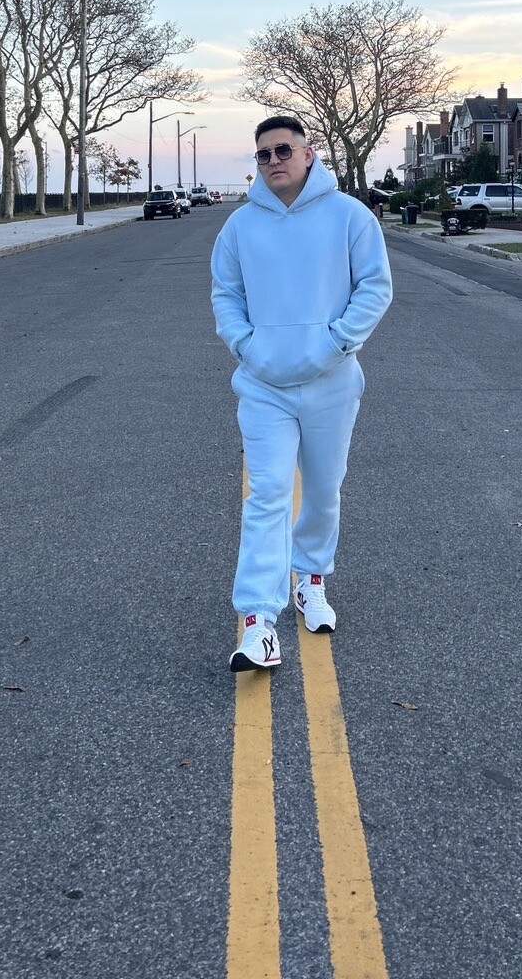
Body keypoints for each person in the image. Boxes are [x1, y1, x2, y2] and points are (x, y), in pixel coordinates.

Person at [210, 114, 393, 671]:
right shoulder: (239, 226)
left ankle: (310, 578)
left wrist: (333, 344)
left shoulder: (350, 216)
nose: (273, 161)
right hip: (263, 385)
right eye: (263, 154)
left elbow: (375, 287)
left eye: (283, 150)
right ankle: (258, 621)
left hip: (331, 383)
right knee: (267, 494)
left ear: (309, 154)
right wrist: (248, 347)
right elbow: (226, 295)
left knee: (322, 489)